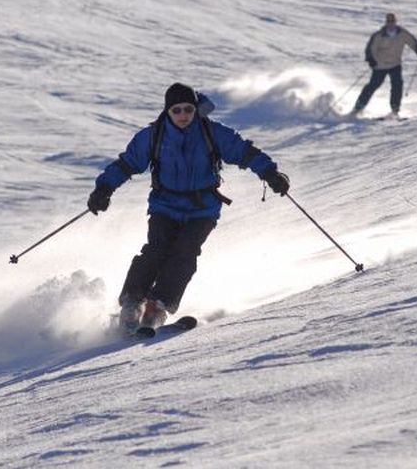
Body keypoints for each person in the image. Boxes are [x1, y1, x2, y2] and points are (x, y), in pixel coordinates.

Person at [87, 82, 290, 332]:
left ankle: (157, 306)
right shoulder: (154, 135)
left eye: (188, 110)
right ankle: (131, 302)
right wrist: (103, 189)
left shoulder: (211, 132)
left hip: (202, 208)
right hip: (165, 205)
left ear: (195, 109)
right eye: (176, 111)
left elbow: (243, 151)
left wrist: (270, 173)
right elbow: (128, 163)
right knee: (155, 250)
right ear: (167, 112)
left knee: (185, 252)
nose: (183, 115)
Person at [350, 12, 417, 118]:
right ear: (386, 23)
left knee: (397, 85)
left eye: (392, 21)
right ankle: (358, 108)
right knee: (373, 85)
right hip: (380, 65)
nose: (391, 24)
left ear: (395, 22)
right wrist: (371, 59)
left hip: (395, 64)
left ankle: (395, 110)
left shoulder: (402, 33)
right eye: (389, 22)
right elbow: (370, 48)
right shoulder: (379, 35)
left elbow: (412, 41)